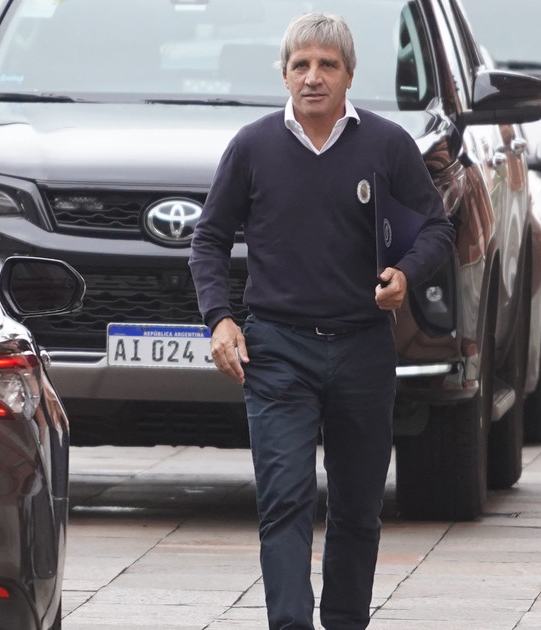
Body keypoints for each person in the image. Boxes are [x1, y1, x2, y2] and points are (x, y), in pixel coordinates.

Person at [188, 13, 454, 630]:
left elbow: (437, 227)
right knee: (285, 502)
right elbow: (209, 239)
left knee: (358, 509)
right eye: (301, 65)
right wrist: (219, 319)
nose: (313, 77)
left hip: (363, 348)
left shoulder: (386, 145)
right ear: (284, 75)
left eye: (327, 65)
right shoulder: (252, 147)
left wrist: (405, 273)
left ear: (349, 75)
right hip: (277, 350)